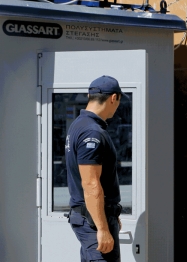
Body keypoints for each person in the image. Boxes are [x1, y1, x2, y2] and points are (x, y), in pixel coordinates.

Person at [65, 75, 129, 262]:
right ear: (113, 98)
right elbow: (91, 183)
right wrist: (102, 227)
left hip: (91, 217)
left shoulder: (79, 125)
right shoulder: (92, 132)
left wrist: (110, 215)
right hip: (92, 223)